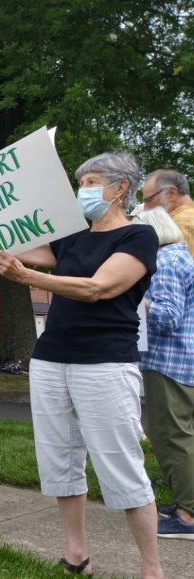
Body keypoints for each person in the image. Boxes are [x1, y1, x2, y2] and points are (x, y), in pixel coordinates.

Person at [0, 152, 164, 578]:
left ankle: (152, 567)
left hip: (105, 363)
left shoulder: (139, 236)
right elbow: (6, 242)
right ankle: (75, 556)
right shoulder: (71, 236)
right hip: (51, 361)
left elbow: (97, 288)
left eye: (90, 182)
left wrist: (28, 278)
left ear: (121, 188)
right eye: (80, 183)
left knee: (121, 465)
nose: (82, 190)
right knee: (59, 461)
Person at [135, 207, 194, 541]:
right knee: (183, 435)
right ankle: (186, 505)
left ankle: (186, 516)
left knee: (171, 437)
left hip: (167, 362)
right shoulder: (182, 258)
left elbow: (167, 316)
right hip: (183, 361)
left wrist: (135, 297)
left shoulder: (166, 263)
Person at [142, 170, 194, 256]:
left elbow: (174, 267)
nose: (145, 208)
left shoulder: (179, 226)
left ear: (172, 193)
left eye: (149, 200)